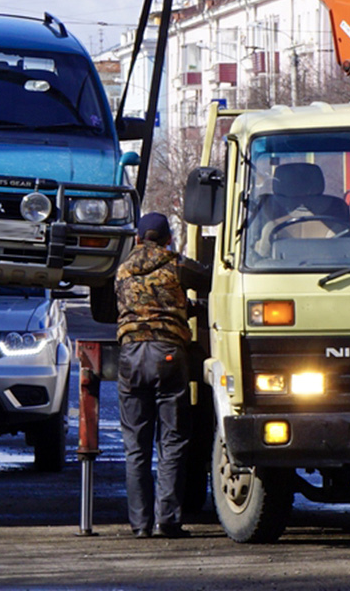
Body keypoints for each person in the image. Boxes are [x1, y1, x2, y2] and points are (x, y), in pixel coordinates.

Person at [115, 211, 210, 539]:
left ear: (139, 239)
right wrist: (189, 308)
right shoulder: (177, 263)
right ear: (168, 237)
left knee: (136, 445)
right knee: (171, 440)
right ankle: (167, 521)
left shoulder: (122, 269)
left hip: (129, 354)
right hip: (168, 353)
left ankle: (140, 525)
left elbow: (135, 305)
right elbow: (209, 279)